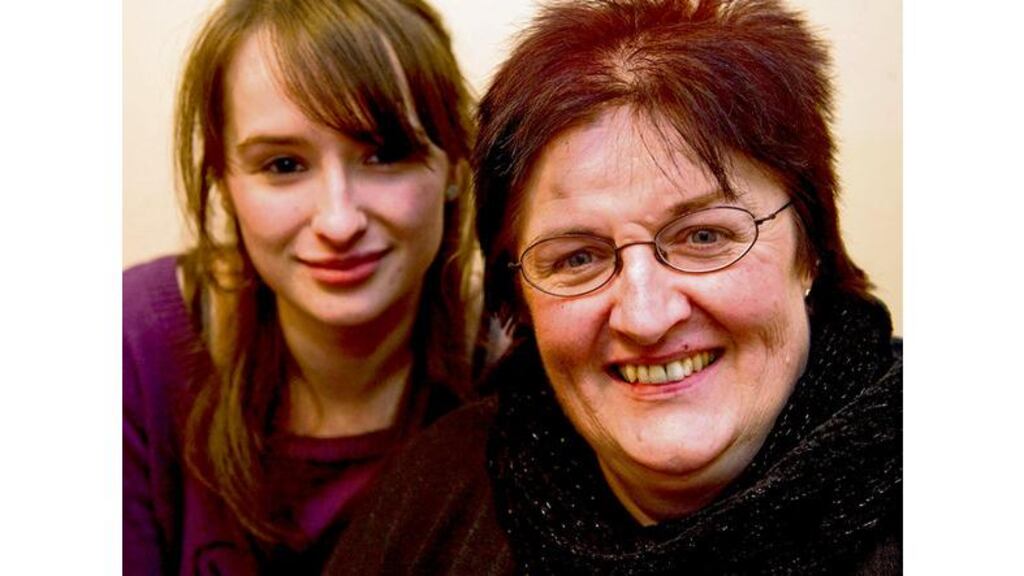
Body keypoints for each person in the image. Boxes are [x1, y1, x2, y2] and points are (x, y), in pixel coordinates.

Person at [325, 0, 902, 573]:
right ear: (519, 298)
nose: (646, 316)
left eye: (704, 237)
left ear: (811, 250)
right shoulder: (436, 493)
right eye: (578, 257)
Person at [122, 0, 478, 572]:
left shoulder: (524, 374)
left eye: (383, 155)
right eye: (283, 165)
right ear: (225, 184)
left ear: (456, 170)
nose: (339, 222)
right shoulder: (129, 346)